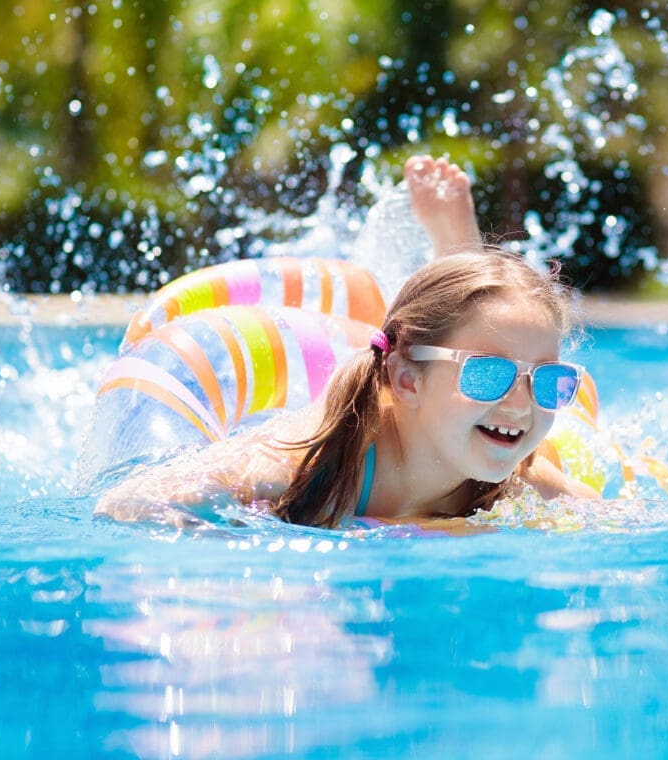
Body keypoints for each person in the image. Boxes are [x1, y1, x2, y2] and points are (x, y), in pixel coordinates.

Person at [95, 155, 599, 529]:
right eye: (488, 374)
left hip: (442, 399)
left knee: (570, 434)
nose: (519, 404)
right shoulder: (309, 466)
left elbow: (616, 523)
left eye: (551, 381)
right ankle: (457, 252)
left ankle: (460, 249)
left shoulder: (516, 475)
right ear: (406, 379)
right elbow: (126, 504)